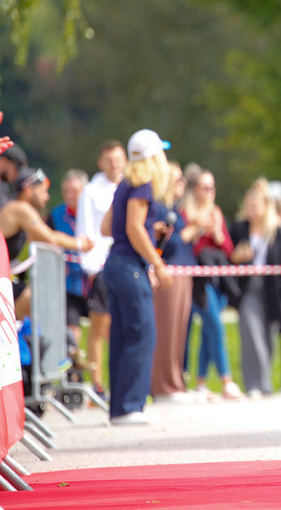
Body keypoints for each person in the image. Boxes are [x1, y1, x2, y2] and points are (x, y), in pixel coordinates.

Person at [101, 129, 173, 425]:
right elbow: (132, 227)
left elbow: (108, 227)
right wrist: (157, 262)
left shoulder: (123, 184)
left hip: (115, 263)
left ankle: (120, 406)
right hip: (130, 267)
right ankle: (131, 405)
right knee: (142, 334)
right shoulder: (143, 182)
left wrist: (144, 228)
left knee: (121, 335)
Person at [231, 178, 281, 396]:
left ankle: (265, 384)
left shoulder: (278, 232)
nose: (252, 210)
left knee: (268, 337)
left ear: (265, 206)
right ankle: (255, 384)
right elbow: (229, 256)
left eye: (256, 205)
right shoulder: (239, 228)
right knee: (251, 335)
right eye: (249, 205)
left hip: (273, 291)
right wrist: (237, 257)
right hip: (248, 289)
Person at [0, 166, 94, 319]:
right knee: (31, 297)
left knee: (32, 299)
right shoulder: (20, 209)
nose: (46, 197)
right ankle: (22, 337)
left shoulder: (20, 210)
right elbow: (50, 237)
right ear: (28, 191)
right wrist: (80, 244)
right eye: (43, 191)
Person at [182, 168, 242, 400]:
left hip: (218, 279)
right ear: (195, 190)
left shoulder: (216, 212)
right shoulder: (187, 213)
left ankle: (201, 381)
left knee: (209, 331)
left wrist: (216, 232)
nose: (210, 192)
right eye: (205, 187)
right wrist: (199, 228)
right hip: (199, 281)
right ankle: (226, 380)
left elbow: (227, 249)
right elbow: (188, 250)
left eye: (212, 187)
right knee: (215, 326)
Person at [75, 139, 127, 402]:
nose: (114, 164)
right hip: (103, 265)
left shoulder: (132, 186)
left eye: (118, 159)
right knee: (100, 325)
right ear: (100, 163)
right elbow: (85, 229)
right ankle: (97, 385)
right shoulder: (92, 191)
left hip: (127, 263)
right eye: (109, 160)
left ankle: (122, 382)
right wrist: (91, 268)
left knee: (124, 325)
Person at [150, 161, 199, 402]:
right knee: (167, 331)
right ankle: (164, 386)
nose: (182, 184)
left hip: (184, 271)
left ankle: (175, 382)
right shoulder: (160, 209)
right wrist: (192, 231)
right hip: (168, 272)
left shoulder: (175, 208)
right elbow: (170, 244)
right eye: (178, 179)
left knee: (180, 332)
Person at [46, 168, 91, 367]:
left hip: (94, 280)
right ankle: (73, 371)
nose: (70, 196)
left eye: (75, 191)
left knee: (104, 327)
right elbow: (46, 241)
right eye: (67, 191)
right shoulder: (56, 215)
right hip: (69, 283)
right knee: (72, 328)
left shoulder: (95, 214)